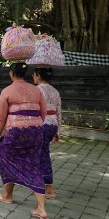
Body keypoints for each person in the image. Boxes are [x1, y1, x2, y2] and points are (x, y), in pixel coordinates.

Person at [0, 63, 49, 219]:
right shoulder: (36, 90)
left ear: (11, 74)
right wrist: (32, 126)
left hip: (16, 133)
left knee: (1, 153)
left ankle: (8, 195)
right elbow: (43, 114)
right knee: (34, 165)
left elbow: (1, 118)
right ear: (25, 73)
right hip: (36, 132)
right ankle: (42, 210)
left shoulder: (7, 91)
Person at [33, 67, 62, 199]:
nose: (33, 77)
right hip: (53, 125)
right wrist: (58, 131)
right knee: (40, 153)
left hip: (43, 125)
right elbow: (59, 112)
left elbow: (34, 110)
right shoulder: (55, 91)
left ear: (38, 76)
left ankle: (49, 187)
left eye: (34, 74)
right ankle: (39, 181)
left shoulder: (37, 90)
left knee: (43, 155)